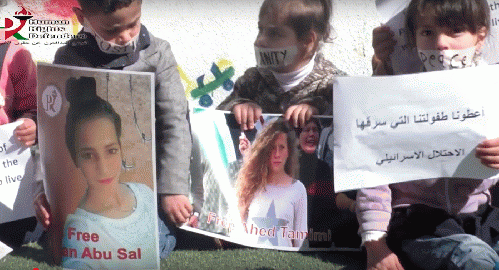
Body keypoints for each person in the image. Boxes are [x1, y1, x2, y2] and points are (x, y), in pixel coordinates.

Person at [33, 0, 192, 257]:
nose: (126, 37)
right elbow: (50, 132)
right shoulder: (69, 58)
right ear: (82, 17)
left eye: (133, 23)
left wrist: (173, 189)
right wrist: (43, 190)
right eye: (111, 31)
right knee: (64, 243)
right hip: (89, 194)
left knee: (153, 241)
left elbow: (175, 122)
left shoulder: (158, 53)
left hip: (149, 185)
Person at [358, 0, 499, 269]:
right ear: (413, 39)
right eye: (427, 32)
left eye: (455, 31)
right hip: (416, 222)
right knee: (474, 259)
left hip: (481, 217)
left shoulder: (493, 91)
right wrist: (375, 245)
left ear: (480, 37)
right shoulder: (392, 95)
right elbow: (371, 172)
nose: (441, 43)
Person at [61, 77, 156, 269]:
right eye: (88, 155)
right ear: (75, 158)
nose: (103, 169)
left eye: (111, 151)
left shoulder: (144, 194)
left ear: (120, 148)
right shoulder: (80, 233)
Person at [217, 0, 346, 130]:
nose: (259, 41)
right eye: (260, 30)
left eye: (274, 33)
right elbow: (216, 118)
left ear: (308, 40)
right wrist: (237, 107)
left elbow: (355, 130)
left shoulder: (336, 86)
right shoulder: (252, 80)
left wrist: (318, 109)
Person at [236, 118, 307, 248]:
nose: (277, 154)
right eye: (272, 148)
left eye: (282, 147)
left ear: (288, 152)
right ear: (264, 151)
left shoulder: (298, 189)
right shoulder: (251, 184)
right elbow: (240, 230)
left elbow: (300, 241)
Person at [297, 118, 359, 248]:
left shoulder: (323, 167)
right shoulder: (289, 165)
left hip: (321, 229)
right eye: (306, 130)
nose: (311, 134)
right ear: (298, 137)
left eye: (315, 130)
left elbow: (332, 197)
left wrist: (353, 206)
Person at [0, 38, 37, 249]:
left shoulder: (14, 54)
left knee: (9, 236)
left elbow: (33, 106)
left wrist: (30, 123)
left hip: (5, 179)